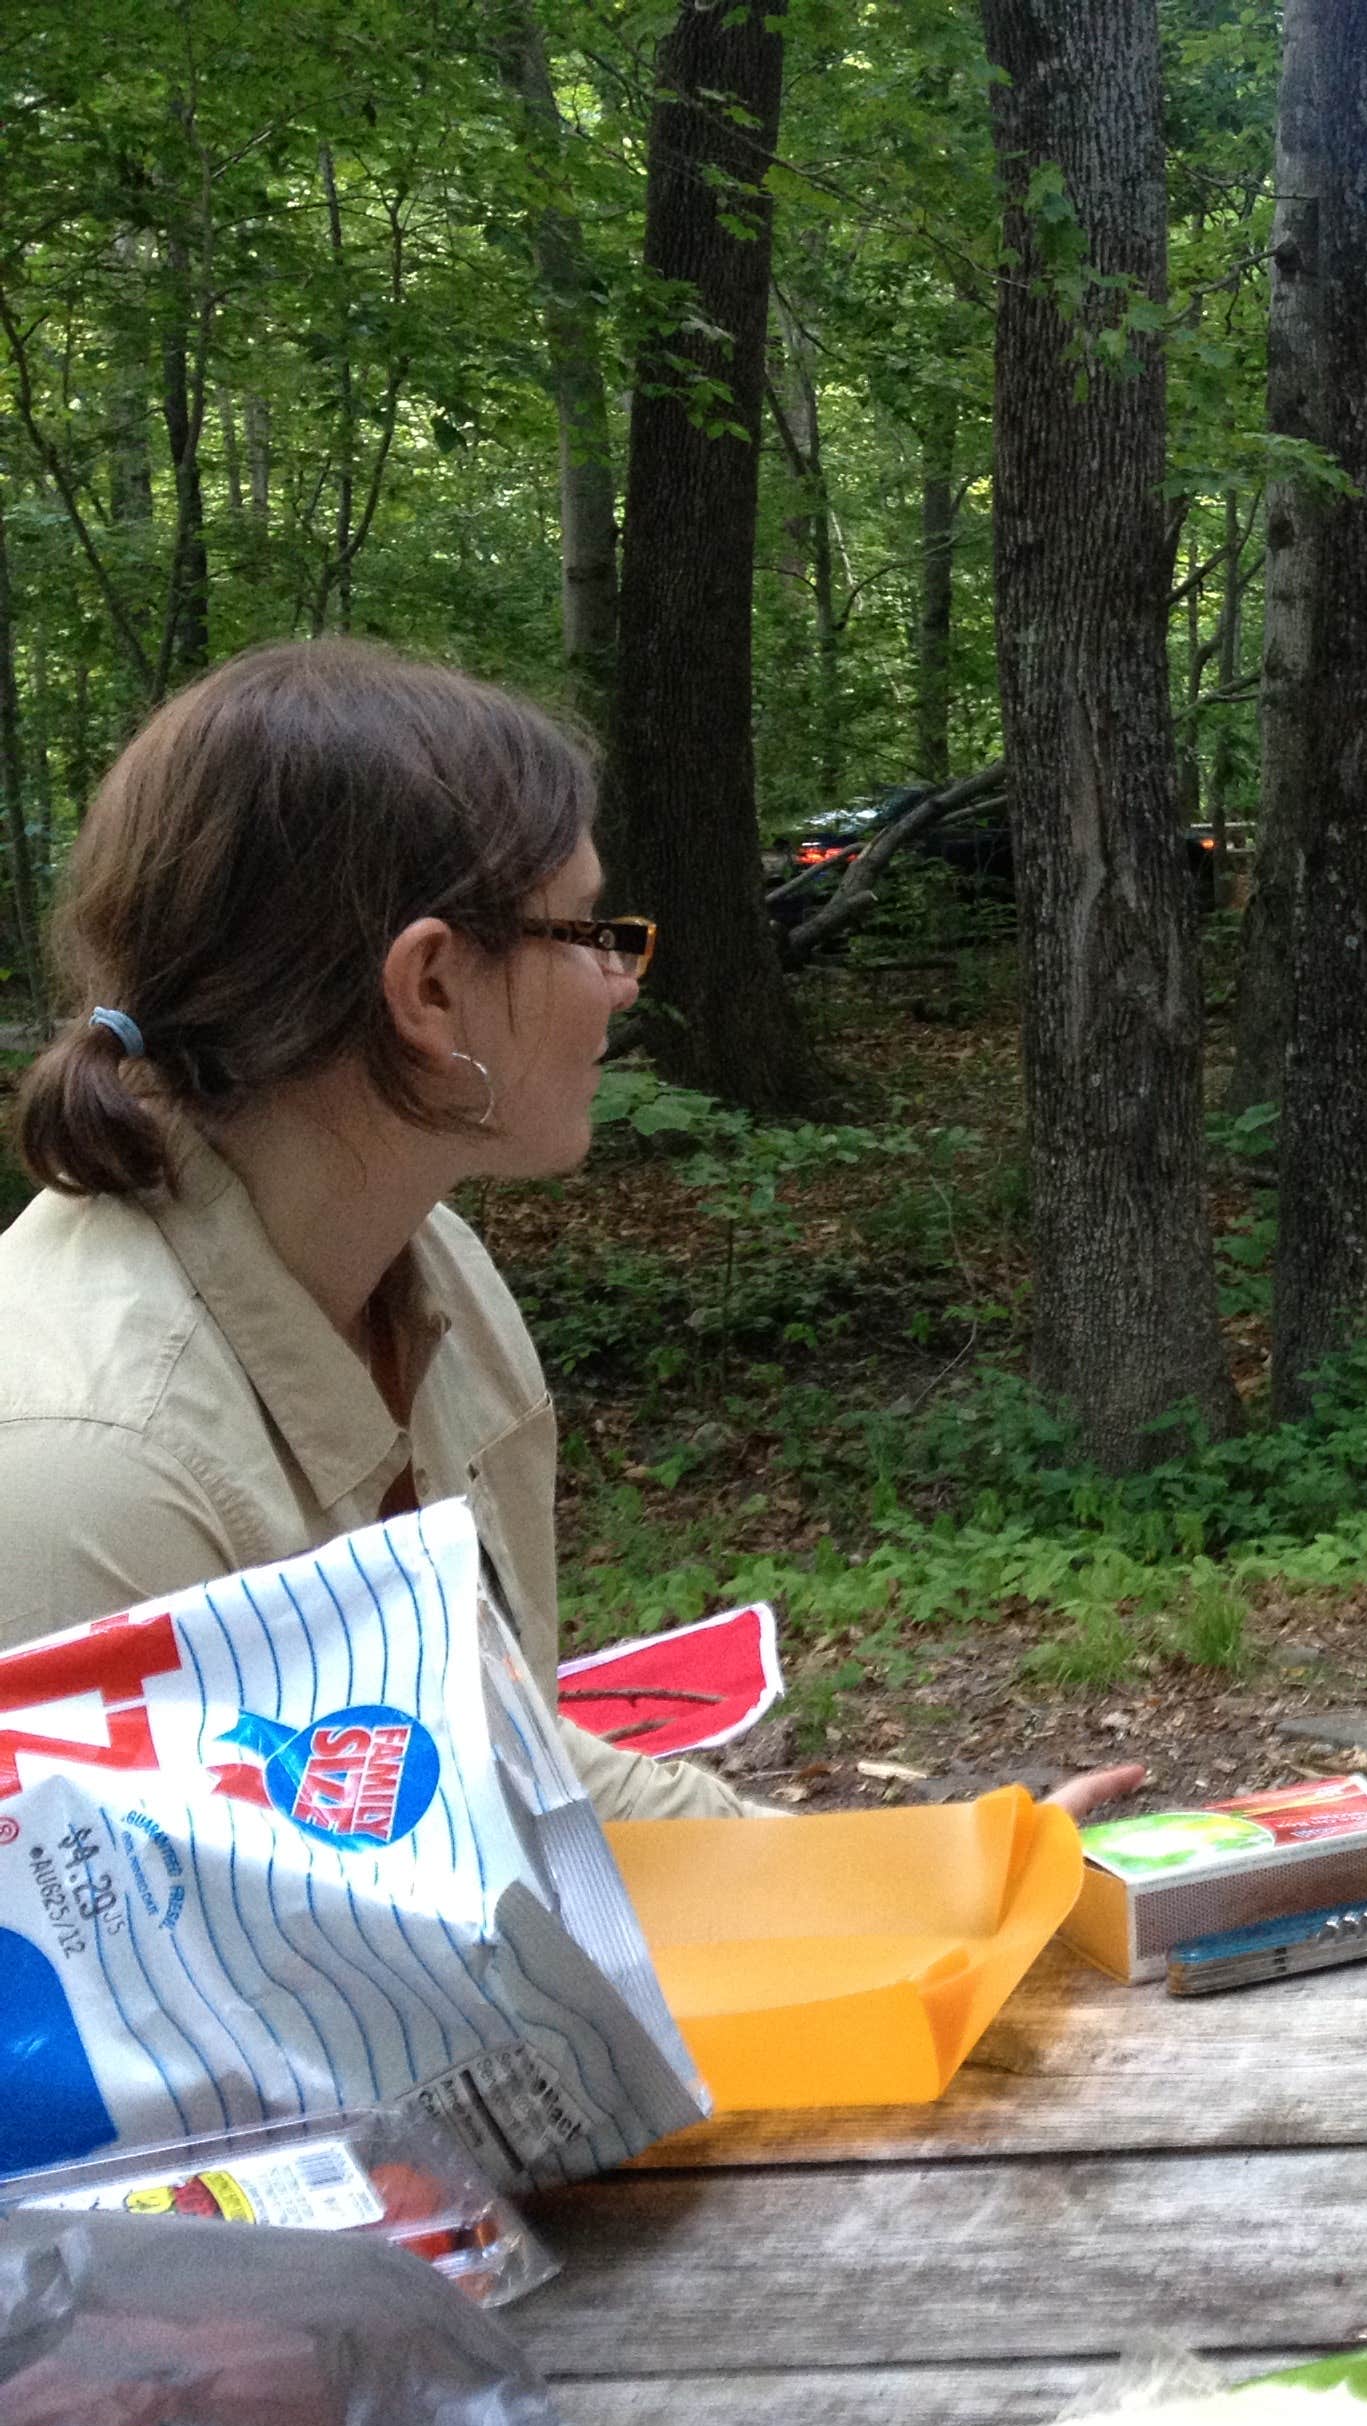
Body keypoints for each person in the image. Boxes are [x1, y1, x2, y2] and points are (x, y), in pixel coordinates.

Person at [0, 640, 1138, 1823]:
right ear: (430, 989)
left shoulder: (433, 1273)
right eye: (587, 930)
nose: (623, 979)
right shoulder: (84, 1476)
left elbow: (502, 1768)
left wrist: (920, 1880)